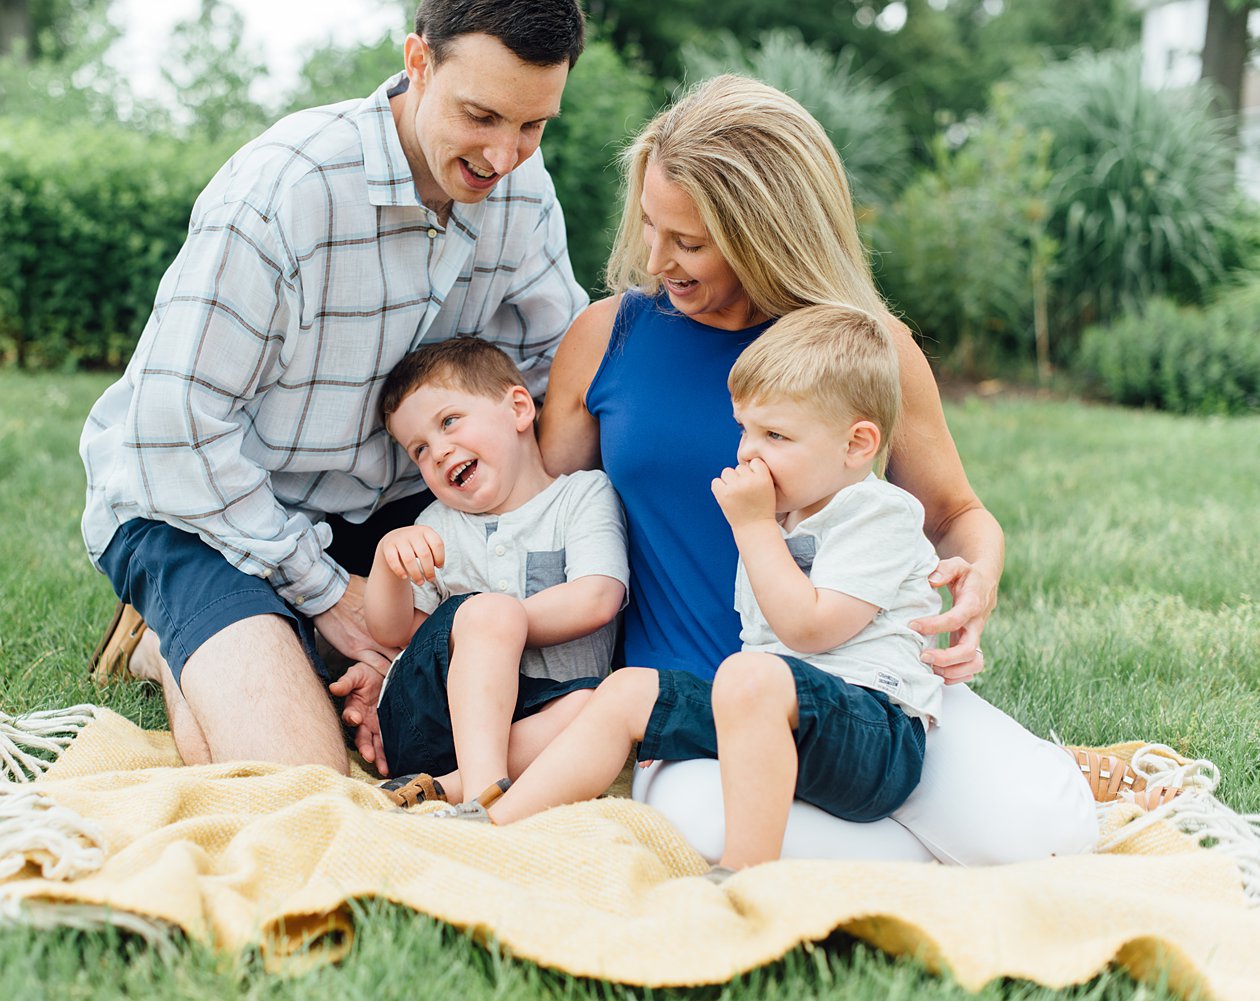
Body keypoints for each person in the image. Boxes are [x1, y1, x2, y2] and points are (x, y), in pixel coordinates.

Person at [536, 74, 1101, 865]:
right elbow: (543, 520)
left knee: (1052, 838)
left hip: (870, 692)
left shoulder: (866, 350)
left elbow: (953, 514)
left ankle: (1005, 798)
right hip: (700, 699)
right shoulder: (607, 338)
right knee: (745, 844)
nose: (657, 259)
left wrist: (980, 576)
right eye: (651, 227)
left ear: (768, 231)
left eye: (690, 242)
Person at [78, 0, 589, 772]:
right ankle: (170, 640)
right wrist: (329, 594)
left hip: (394, 512)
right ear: (418, 63)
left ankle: (271, 641)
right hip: (204, 507)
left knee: (483, 715)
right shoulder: (287, 189)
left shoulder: (522, 188)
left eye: (532, 126)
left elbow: (554, 367)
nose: (504, 155)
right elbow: (175, 427)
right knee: (298, 774)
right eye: (481, 115)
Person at [447, 307, 943, 872]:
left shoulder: (877, 514)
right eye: (745, 431)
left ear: (856, 446)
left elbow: (808, 629)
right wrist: (762, 525)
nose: (747, 453)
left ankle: (740, 876)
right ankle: (494, 829)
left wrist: (752, 528)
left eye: (775, 435)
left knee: (748, 675)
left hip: (873, 735)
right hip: (772, 719)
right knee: (629, 691)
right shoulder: (782, 517)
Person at [364, 338, 627, 809]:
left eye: (449, 422)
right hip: (430, 717)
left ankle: (450, 787)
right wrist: (388, 560)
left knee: (602, 707)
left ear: (520, 409)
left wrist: (499, 623)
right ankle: (484, 796)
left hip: (535, 721)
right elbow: (391, 631)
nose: (438, 452)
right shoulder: (436, 525)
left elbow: (597, 599)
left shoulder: (582, 496)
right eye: (419, 449)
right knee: (490, 614)